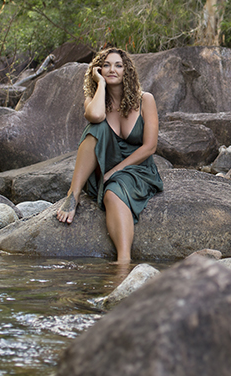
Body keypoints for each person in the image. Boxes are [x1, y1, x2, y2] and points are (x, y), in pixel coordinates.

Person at [56, 47, 163, 264]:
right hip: (103, 166)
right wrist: (101, 85)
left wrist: (116, 170)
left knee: (114, 192)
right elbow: (95, 116)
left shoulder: (145, 100)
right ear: (98, 70)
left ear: (127, 71)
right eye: (106, 65)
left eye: (118, 65)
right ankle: (73, 194)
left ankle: (123, 262)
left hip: (137, 168)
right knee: (96, 128)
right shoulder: (94, 99)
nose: (111, 69)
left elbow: (150, 147)